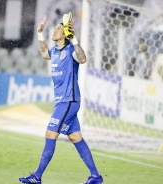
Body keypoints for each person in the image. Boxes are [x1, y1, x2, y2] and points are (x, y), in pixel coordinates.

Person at [19, 14, 103, 184]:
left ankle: (37, 176)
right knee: (75, 138)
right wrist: (40, 33)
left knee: (50, 133)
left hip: (68, 101)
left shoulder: (70, 50)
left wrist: (74, 40)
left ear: (65, 34)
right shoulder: (55, 52)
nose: (55, 30)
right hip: (63, 102)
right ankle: (95, 176)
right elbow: (44, 53)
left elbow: (83, 59)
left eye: (58, 28)